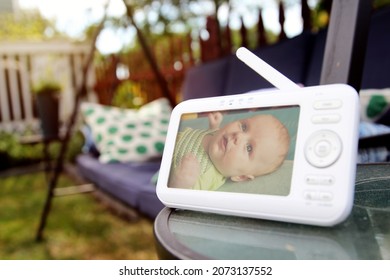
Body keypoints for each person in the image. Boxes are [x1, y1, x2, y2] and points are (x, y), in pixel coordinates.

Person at [168, 111, 290, 190]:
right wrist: (214, 126)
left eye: (249, 148)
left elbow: (176, 201)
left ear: (241, 176)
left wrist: (181, 182)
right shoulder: (219, 136)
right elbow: (215, 133)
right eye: (244, 127)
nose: (238, 136)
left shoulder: (207, 176)